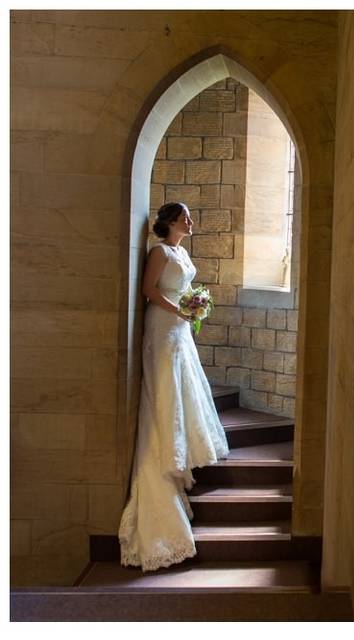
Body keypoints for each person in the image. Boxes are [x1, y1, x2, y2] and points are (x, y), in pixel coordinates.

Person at [118, 202, 230, 571]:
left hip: (179, 327)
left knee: (182, 389)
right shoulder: (160, 251)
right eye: (185, 217)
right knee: (165, 392)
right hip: (164, 328)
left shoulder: (180, 250)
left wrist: (194, 305)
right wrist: (181, 310)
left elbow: (175, 288)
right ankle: (165, 456)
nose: (191, 221)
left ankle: (182, 450)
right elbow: (149, 290)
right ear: (169, 222)